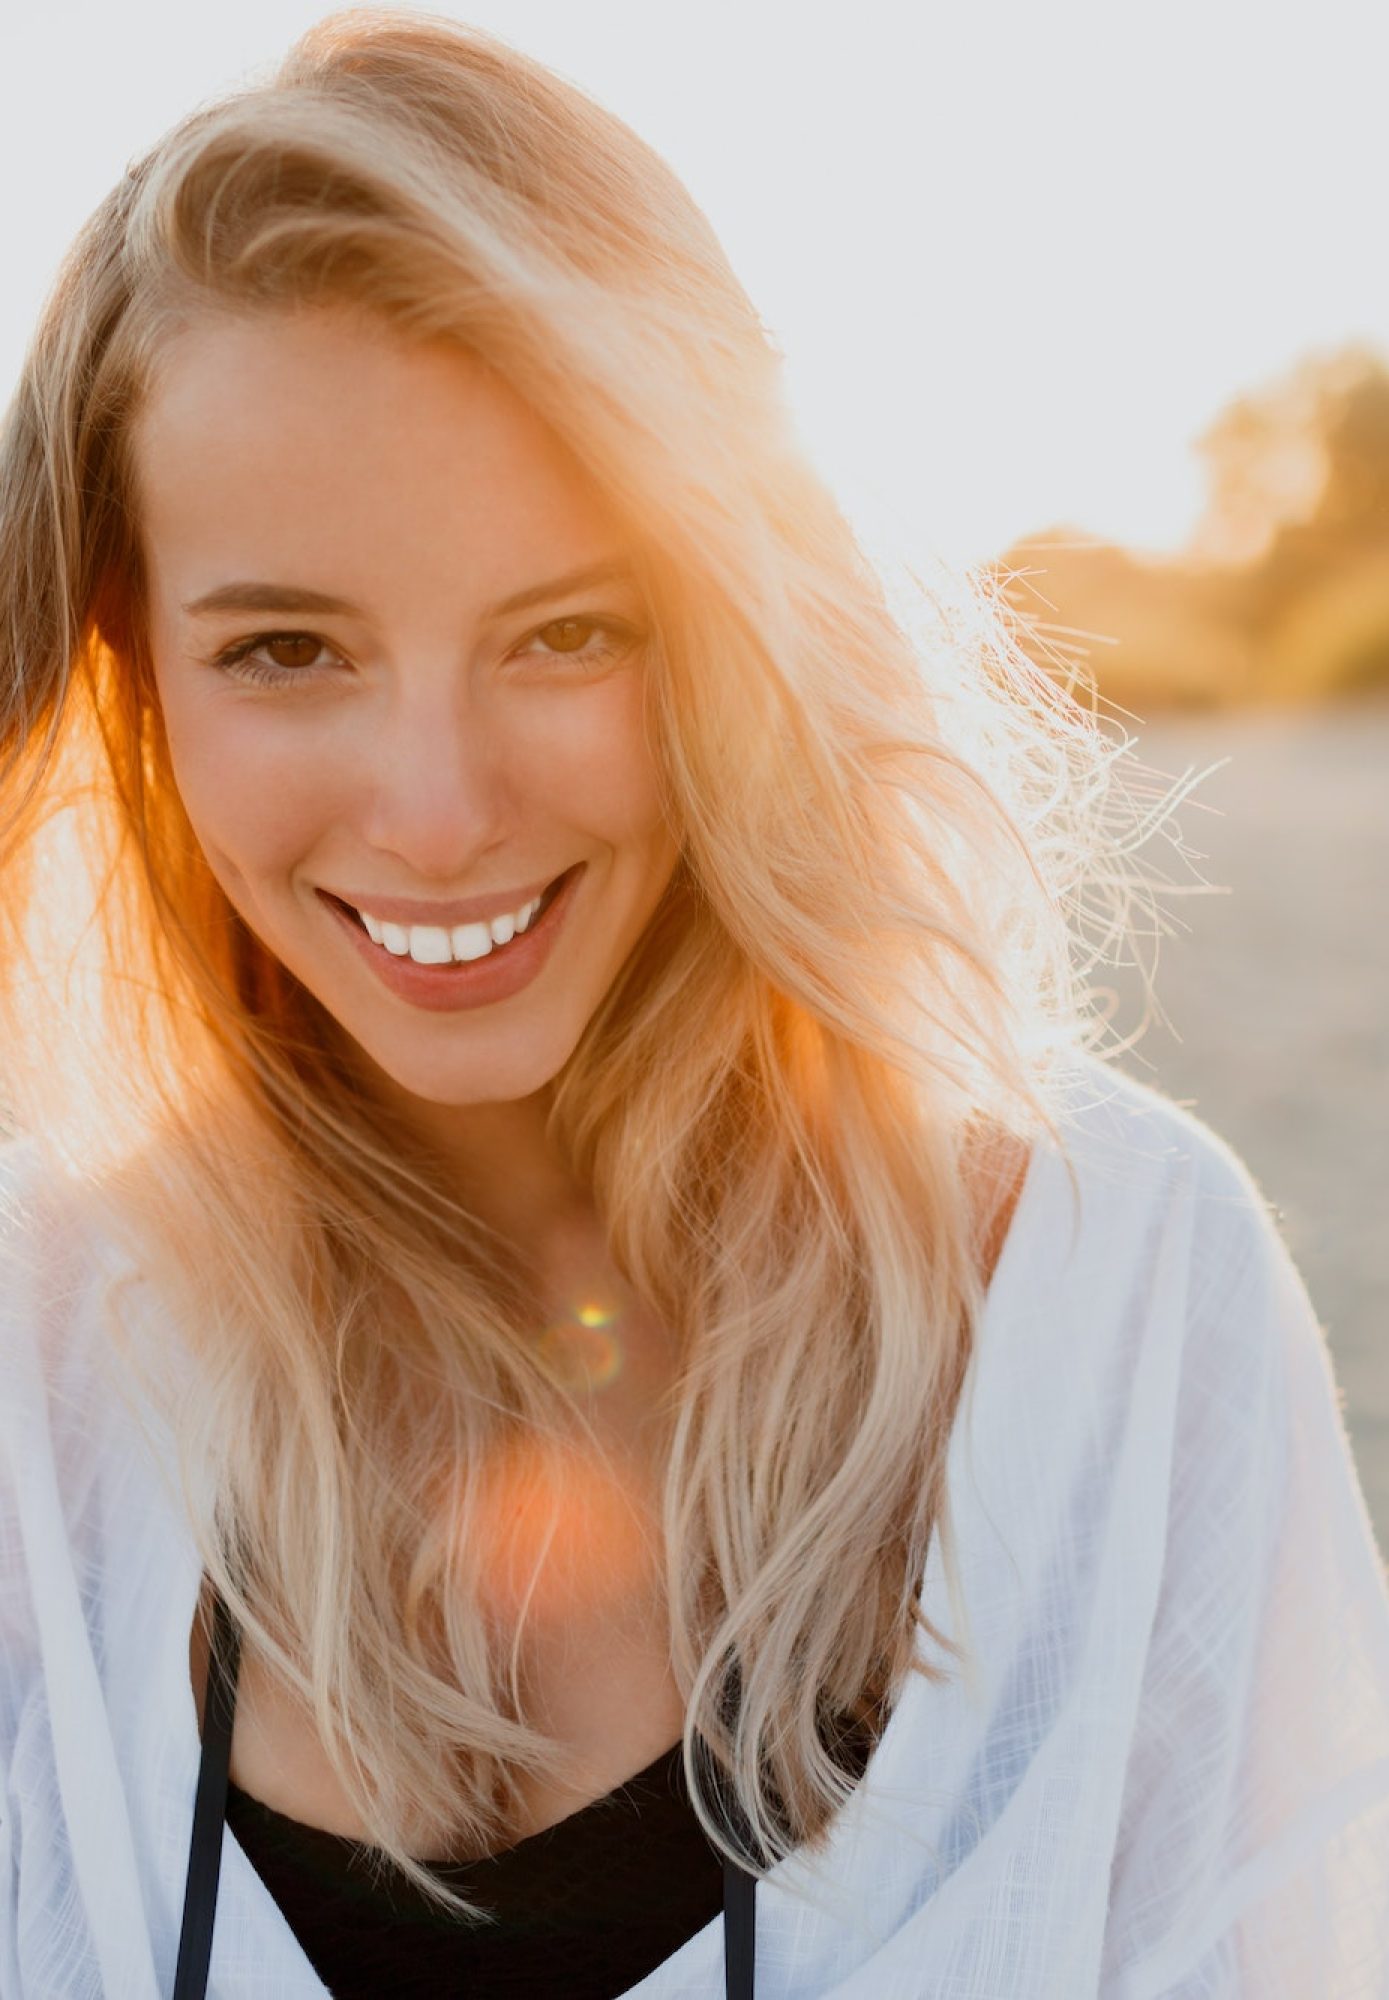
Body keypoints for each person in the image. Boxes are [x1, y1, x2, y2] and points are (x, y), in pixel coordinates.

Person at [1, 9, 1386, 1997]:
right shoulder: (35, 1352)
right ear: (137, 674)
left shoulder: (1112, 1288)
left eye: (564, 630)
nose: (440, 808)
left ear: (729, 629)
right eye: (288, 649)